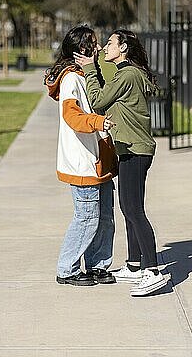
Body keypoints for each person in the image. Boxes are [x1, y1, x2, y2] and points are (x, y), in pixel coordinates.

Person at [74, 29, 168, 297]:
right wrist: (96, 67)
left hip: (136, 151)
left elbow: (98, 101)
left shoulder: (127, 75)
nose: (105, 47)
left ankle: (152, 271)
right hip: (129, 148)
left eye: (110, 43)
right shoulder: (125, 74)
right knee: (128, 208)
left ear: (123, 47)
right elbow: (108, 93)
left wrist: (91, 70)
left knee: (134, 209)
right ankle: (135, 265)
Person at [45, 25, 118, 287]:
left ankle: (98, 265)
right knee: (87, 218)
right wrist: (98, 122)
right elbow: (72, 116)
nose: (98, 48)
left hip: (99, 160)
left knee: (105, 217)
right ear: (80, 50)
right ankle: (67, 269)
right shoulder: (71, 80)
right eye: (93, 44)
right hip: (82, 162)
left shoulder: (85, 74)